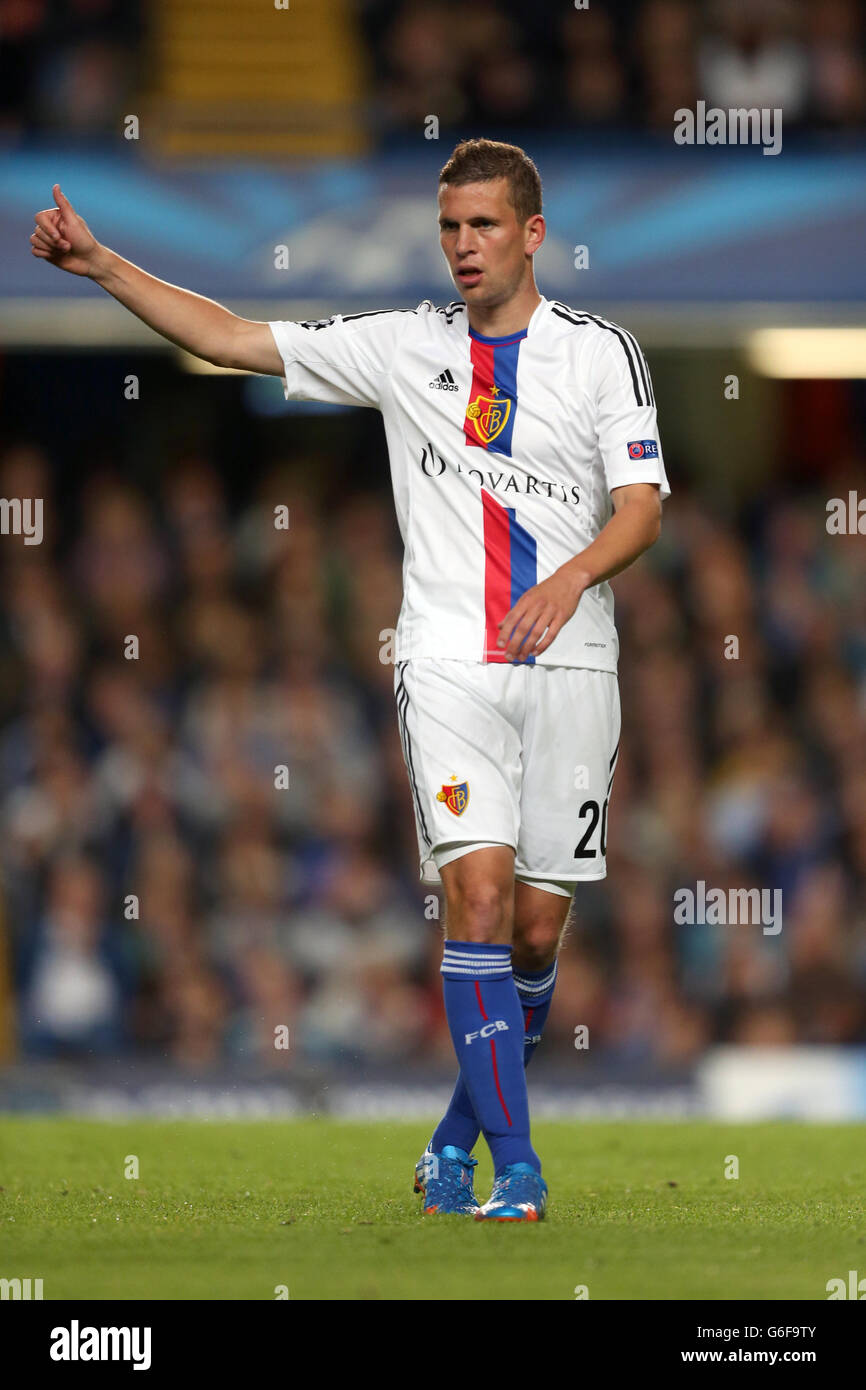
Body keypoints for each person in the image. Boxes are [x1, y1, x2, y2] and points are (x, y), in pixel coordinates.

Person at [31, 137, 669, 1221]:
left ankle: (449, 1140)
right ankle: (513, 1170)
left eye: (480, 226)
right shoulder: (402, 346)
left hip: (574, 661)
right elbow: (232, 337)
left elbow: (642, 508)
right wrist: (104, 266)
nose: (460, 247)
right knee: (475, 894)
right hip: (447, 661)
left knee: (534, 932)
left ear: (531, 234)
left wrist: (566, 579)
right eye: (447, 228)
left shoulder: (601, 354)